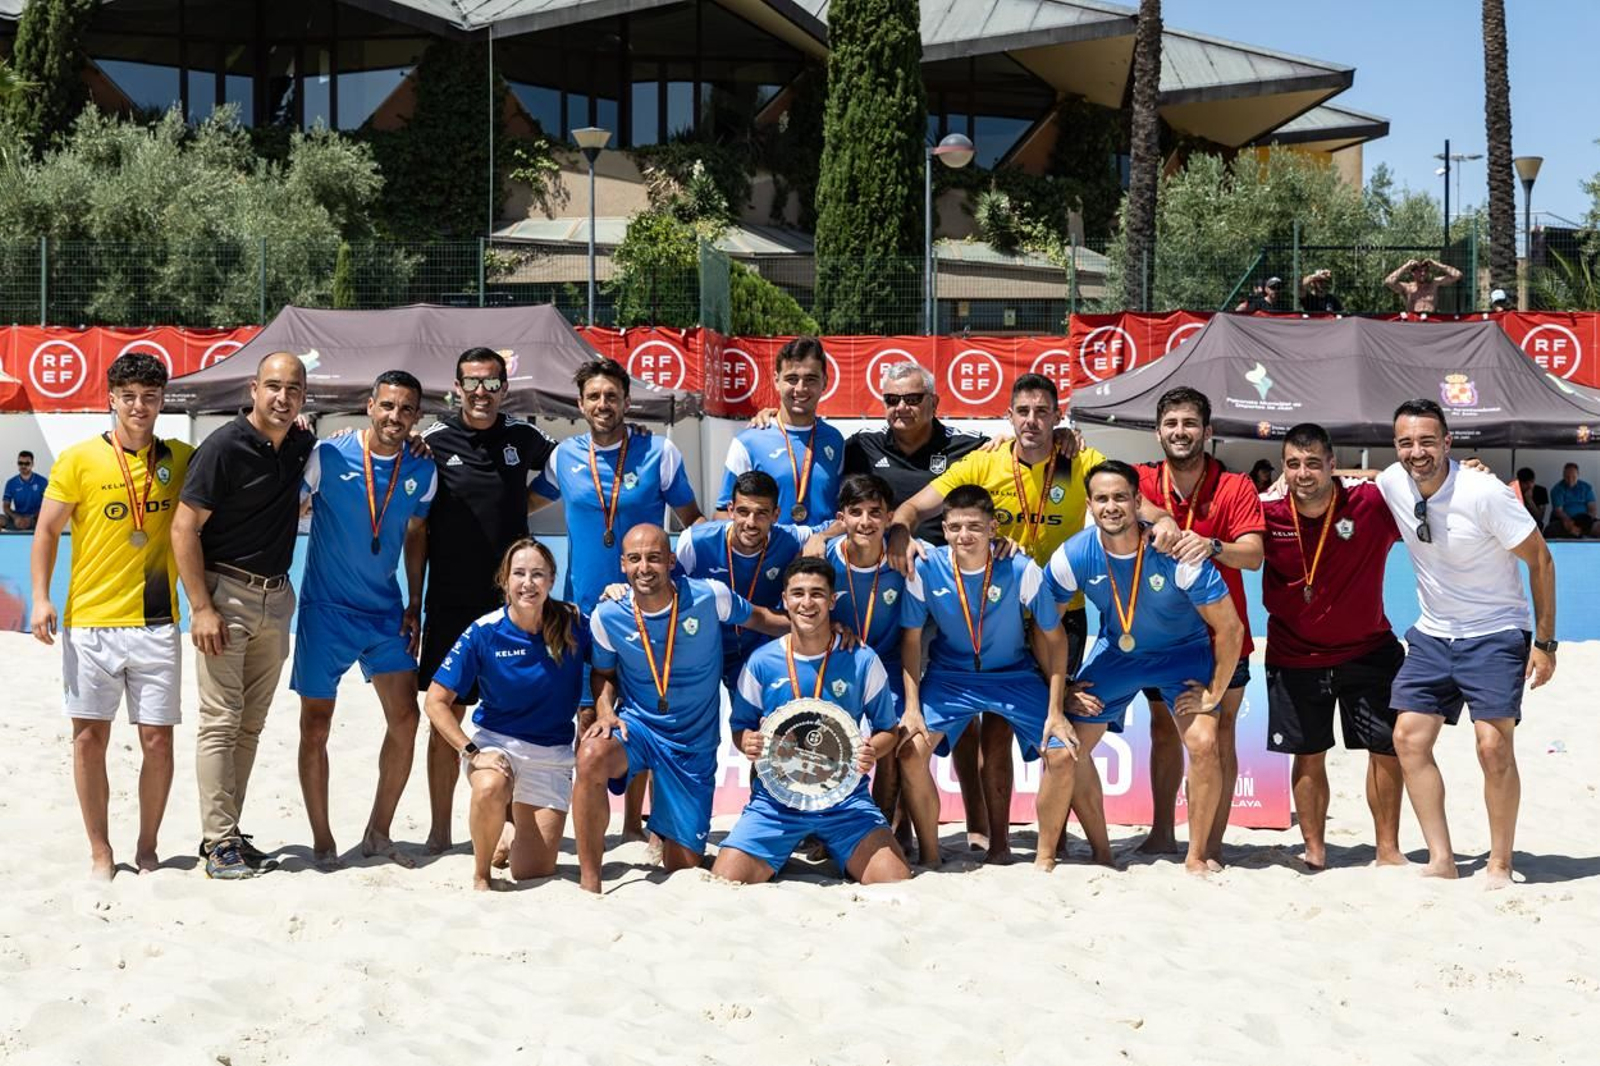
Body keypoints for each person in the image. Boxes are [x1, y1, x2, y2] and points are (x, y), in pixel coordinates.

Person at [1378, 399, 1556, 888]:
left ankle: (1500, 862)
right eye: (1406, 442)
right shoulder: (1391, 481)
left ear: (1448, 442)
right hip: (1434, 632)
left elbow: (1539, 559)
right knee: (1408, 738)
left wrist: (1546, 642)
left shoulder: (1483, 492)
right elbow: (1343, 479)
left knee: (1492, 746)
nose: (1417, 452)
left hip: (1496, 630)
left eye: (1427, 441)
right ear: (1396, 446)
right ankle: (1442, 858)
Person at [28, 353, 192, 880]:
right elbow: (48, 531)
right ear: (111, 399)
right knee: (88, 739)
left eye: (149, 396)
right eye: (129, 396)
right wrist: (41, 597)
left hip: (156, 622)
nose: (139, 406)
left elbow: (241, 461)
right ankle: (101, 851)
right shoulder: (78, 459)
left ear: (163, 399)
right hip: (91, 621)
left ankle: (147, 848)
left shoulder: (183, 458)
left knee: (158, 741)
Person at [1045, 461, 1241, 875]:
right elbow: (1047, 626)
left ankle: (1197, 856)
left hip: (1182, 655)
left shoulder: (1176, 554)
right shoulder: (1074, 554)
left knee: (1205, 744)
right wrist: (1059, 691)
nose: (1111, 506)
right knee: (1066, 749)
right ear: (1090, 505)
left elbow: (1230, 628)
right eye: (1101, 499)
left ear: (1138, 502)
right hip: (1119, 654)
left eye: (1120, 497)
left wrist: (1214, 693)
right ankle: (1101, 852)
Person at [574, 524, 790, 893]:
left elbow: (758, 618)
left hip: (693, 746)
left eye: (655, 558)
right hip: (640, 730)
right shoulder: (607, 615)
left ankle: (669, 829)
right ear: (623, 564)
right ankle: (590, 881)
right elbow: (603, 674)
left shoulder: (709, 597)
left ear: (671, 561)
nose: (646, 567)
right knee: (591, 753)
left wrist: (816, 627)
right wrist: (606, 710)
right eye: (636, 559)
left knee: (681, 865)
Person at [173, 351, 314, 880]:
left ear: (304, 396)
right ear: (253, 389)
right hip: (224, 596)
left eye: (293, 389)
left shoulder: (300, 443)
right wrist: (201, 607)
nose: (282, 397)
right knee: (220, 722)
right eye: (273, 386)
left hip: (277, 599)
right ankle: (217, 842)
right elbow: (184, 529)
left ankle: (228, 832)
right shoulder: (223, 447)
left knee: (249, 726)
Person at [289, 371, 436, 868]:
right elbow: (288, 510)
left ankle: (378, 832)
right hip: (325, 612)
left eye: (407, 409)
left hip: (384, 612)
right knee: (316, 727)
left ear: (418, 416)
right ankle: (324, 842)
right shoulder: (327, 455)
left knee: (406, 718)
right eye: (388, 406)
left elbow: (417, 533)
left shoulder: (422, 468)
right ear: (369, 405)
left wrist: (416, 601)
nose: (396, 417)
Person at [416, 347, 558, 854]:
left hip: (513, 604)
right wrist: (415, 600)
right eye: (472, 382)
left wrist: (523, 503)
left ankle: (510, 824)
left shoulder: (524, 436)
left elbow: (567, 466)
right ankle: (439, 828)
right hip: (451, 599)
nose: (482, 391)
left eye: (492, 383)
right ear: (456, 387)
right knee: (443, 715)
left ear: (505, 387)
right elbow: (413, 520)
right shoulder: (431, 441)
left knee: (515, 712)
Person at [896, 486, 1076, 869]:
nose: (965, 535)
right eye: (956, 526)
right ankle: (930, 852)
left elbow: (1054, 637)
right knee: (910, 752)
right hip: (950, 677)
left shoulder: (1020, 568)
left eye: (975, 526)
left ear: (993, 527)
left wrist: (1056, 709)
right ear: (943, 530)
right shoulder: (925, 568)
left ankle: (1043, 856)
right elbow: (910, 641)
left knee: (1061, 753)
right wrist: (912, 708)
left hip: (1013, 675)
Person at [1259, 424, 1406, 870]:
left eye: (1313, 463)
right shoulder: (1266, 511)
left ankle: (1388, 849)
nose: (1303, 474)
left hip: (1368, 650)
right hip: (1294, 654)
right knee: (1308, 755)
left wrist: (1469, 469)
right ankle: (1315, 850)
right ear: (1283, 468)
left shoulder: (1370, 502)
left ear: (1331, 463)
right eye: (1293, 464)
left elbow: (1418, 482)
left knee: (1386, 750)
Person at [713, 557, 911, 885]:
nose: (807, 603)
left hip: (846, 803)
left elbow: (887, 730)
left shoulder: (862, 660)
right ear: (785, 601)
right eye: (798, 594)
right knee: (726, 878)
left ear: (833, 601)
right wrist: (747, 741)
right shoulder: (762, 663)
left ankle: (836, 846)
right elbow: (740, 727)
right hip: (775, 804)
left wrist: (871, 750)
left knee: (894, 879)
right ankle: (786, 848)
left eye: (817, 594)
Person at [1135, 387, 1265, 865]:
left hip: (1223, 638)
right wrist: (1161, 516)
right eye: (1171, 424)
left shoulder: (1235, 487)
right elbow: (1105, 489)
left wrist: (1209, 545)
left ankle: (1209, 843)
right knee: (1162, 730)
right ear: (1158, 432)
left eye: (1190, 424)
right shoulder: (1143, 481)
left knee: (1221, 734)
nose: (1180, 432)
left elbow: (1253, 555)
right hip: (1163, 636)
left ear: (1207, 432)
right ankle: (1163, 833)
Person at [423, 539, 589, 891]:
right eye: (519, 574)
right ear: (504, 580)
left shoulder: (573, 622)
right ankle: (481, 875)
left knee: (531, 871)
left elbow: (611, 655)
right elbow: (436, 701)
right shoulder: (484, 631)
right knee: (489, 785)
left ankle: (507, 830)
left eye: (538, 574)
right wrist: (472, 753)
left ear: (551, 580)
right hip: (499, 745)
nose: (528, 583)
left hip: (552, 756)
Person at [530, 358, 703, 615]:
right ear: (581, 404)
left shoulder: (658, 452)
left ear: (627, 402)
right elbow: (527, 503)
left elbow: (694, 521)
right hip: (583, 608)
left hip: (647, 607)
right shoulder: (563, 455)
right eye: (593, 396)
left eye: (611, 396)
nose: (602, 405)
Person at [675, 470, 814, 694]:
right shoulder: (695, 540)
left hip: (755, 650)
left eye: (761, 514)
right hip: (702, 650)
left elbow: (838, 526)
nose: (751, 522)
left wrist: (820, 538)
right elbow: (662, 586)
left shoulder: (790, 539)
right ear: (730, 510)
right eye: (743, 512)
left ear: (776, 515)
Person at [823, 475, 912, 824]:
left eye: (875, 512)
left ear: (889, 517)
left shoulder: (905, 557)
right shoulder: (824, 558)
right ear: (840, 518)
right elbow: (800, 603)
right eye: (855, 512)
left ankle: (881, 824)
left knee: (891, 742)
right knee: (825, 740)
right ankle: (825, 824)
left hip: (888, 665)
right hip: (838, 662)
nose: (865, 521)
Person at [717, 336, 845, 523]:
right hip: (769, 551)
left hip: (820, 549)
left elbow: (844, 510)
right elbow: (722, 513)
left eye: (811, 379)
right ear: (777, 381)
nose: (801, 388)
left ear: (824, 382)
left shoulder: (835, 440)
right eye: (792, 379)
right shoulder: (749, 442)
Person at [1384, 258, 1462, 313]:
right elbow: (1388, 281)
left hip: (1431, 321)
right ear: (1413, 273)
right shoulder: (1407, 287)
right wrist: (1406, 266)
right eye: (1419, 271)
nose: (1423, 273)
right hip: (1413, 322)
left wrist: (1437, 265)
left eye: (1425, 271)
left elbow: (1457, 275)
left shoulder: (1434, 284)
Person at [1546, 462, 1597, 538]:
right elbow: (1558, 511)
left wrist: (1588, 521)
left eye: (1573, 477)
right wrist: (1572, 522)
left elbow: (1592, 508)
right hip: (1566, 520)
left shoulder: (1586, 487)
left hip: (1586, 519)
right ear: (1563, 476)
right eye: (1567, 477)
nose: (1570, 480)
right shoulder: (1557, 489)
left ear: (1578, 475)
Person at [3, 450, 47, 531]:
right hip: (18, 520)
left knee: (51, 518)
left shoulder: (43, 481)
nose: (23, 466)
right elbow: (6, 507)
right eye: (20, 463)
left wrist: (31, 518)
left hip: (36, 519)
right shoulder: (11, 483)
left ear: (32, 464)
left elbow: (48, 505)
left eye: (27, 463)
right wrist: (16, 517)